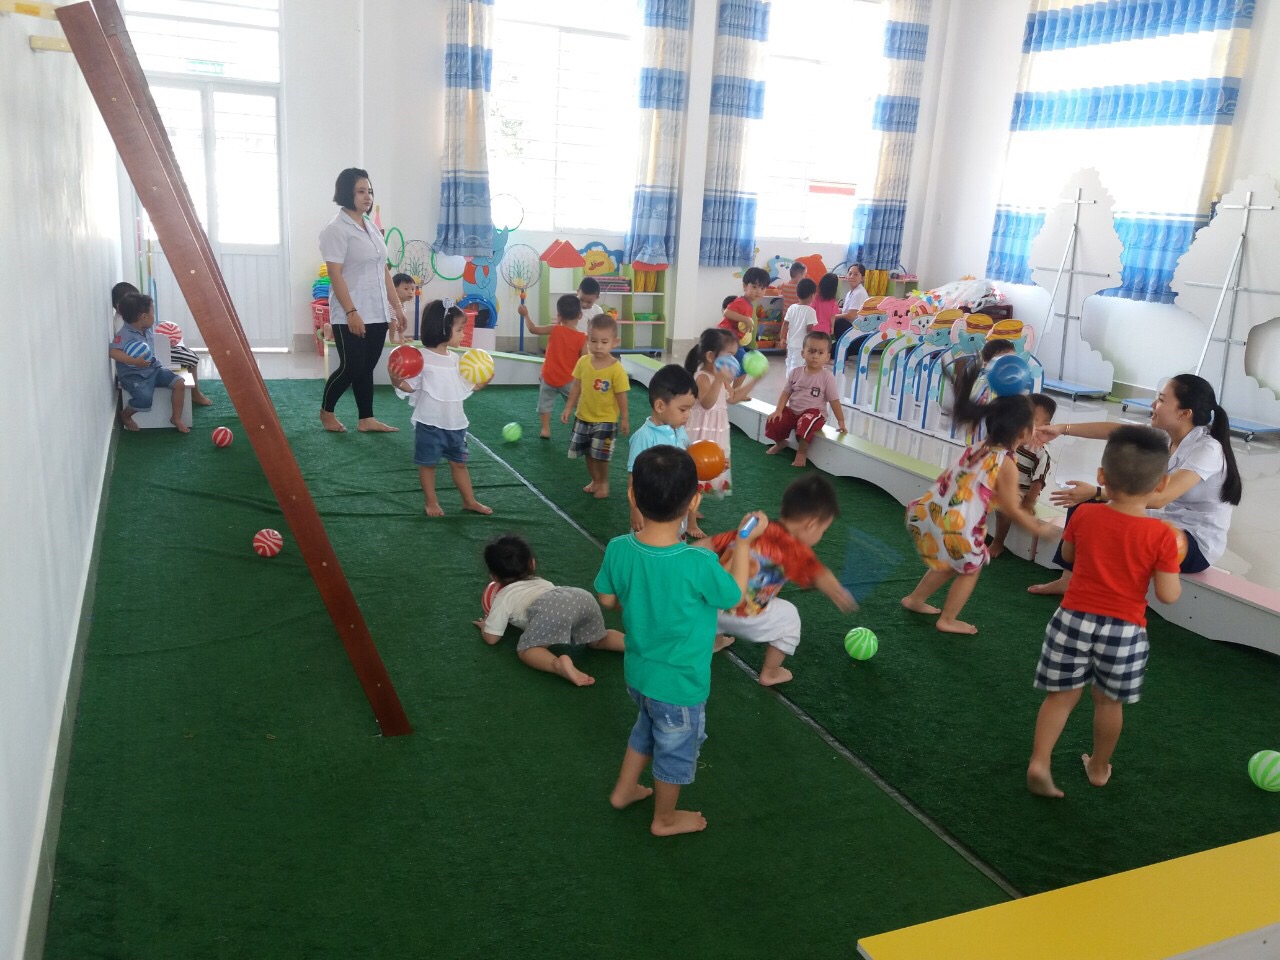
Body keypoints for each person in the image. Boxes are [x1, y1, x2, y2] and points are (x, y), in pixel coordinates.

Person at [595, 445, 765, 836]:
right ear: (694, 502)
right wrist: (743, 542)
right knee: (674, 751)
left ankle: (624, 790)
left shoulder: (619, 548)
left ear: (632, 494)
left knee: (645, 727)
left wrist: (635, 600)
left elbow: (607, 599)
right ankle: (664, 818)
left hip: (639, 674)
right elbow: (734, 595)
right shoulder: (697, 562)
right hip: (680, 686)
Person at [1026, 426, 1183, 798]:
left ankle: (1040, 761)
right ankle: (1098, 767)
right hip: (1124, 630)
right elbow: (1168, 595)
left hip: (1072, 619)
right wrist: (1170, 561)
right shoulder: (1162, 536)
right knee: (1109, 702)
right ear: (1161, 484)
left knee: (1060, 696)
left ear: (1101, 476)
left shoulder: (1084, 514)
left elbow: (1069, 556)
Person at [1028, 373, 1242, 593]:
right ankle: (1068, 579)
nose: (1153, 405)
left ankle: (1108, 588)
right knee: (1084, 505)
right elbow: (1115, 431)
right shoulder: (1167, 435)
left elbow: (1160, 498)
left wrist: (1098, 491)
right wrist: (1061, 429)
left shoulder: (1207, 449)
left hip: (1193, 542)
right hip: (1163, 522)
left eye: (1161, 400)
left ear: (1184, 413)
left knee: (1116, 519)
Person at [901, 363, 1058, 634]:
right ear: (1023, 432)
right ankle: (948, 620)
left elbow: (972, 482)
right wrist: (1039, 529)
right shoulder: (1006, 463)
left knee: (952, 563)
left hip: (930, 511)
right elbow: (1012, 509)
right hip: (957, 525)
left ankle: (915, 599)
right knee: (970, 568)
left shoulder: (980, 447)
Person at [704, 474, 858, 686]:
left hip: (711, 610)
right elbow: (819, 574)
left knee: (721, 584)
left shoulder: (752, 530)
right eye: (824, 530)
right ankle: (771, 672)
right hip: (747, 617)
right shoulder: (796, 551)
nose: (822, 535)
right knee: (790, 617)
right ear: (811, 524)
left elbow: (709, 544)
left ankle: (715, 640)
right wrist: (837, 592)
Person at [318, 167, 409, 434]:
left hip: (377, 310)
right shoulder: (335, 229)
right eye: (361, 191)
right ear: (347, 193)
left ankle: (366, 419)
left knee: (366, 367)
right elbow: (335, 274)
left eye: (369, 191)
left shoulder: (371, 227)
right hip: (350, 311)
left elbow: (383, 270)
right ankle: (326, 411)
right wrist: (351, 311)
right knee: (352, 366)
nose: (367, 196)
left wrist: (397, 308)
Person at [474, 534, 625, 687]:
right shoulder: (541, 582)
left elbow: (492, 639)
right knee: (598, 639)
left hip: (550, 610)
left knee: (527, 650)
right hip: (579, 596)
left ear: (494, 577)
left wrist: (486, 626)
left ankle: (557, 665)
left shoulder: (503, 596)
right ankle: (631, 643)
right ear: (532, 564)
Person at [389, 299, 492, 517]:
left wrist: (484, 381)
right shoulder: (420, 359)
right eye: (460, 330)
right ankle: (431, 502)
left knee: (460, 464)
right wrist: (396, 380)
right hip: (429, 424)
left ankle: (469, 501)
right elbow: (409, 386)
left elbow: (467, 386)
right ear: (443, 329)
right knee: (428, 465)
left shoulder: (457, 360)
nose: (463, 334)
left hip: (456, 425)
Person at [112, 281, 212, 407]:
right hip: (150, 358)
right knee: (192, 358)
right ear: (119, 306)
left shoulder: (130, 319)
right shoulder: (124, 324)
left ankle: (194, 393)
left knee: (190, 355)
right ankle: (195, 394)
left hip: (154, 352)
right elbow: (125, 349)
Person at [563, 314, 630, 499]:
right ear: (588, 339)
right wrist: (568, 407)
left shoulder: (616, 369)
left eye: (604, 342)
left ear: (614, 342)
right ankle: (595, 480)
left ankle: (604, 482)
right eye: (593, 341)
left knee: (602, 455)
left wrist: (624, 418)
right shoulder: (583, 362)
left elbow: (621, 395)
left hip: (606, 421)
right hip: (583, 417)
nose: (598, 346)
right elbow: (576, 386)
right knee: (588, 453)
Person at [684, 328, 754, 504]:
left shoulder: (721, 379)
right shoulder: (702, 377)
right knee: (696, 467)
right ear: (710, 356)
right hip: (700, 433)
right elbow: (707, 403)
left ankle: (693, 506)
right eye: (729, 355)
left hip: (716, 431)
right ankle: (689, 512)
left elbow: (733, 397)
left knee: (710, 466)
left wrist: (756, 379)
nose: (734, 360)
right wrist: (719, 379)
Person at [627, 364, 698, 534]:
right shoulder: (644, 436)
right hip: (651, 510)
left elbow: (691, 458)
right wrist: (635, 510)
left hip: (676, 504)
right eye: (683, 409)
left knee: (674, 540)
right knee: (649, 543)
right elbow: (634, 476)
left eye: (690, 409)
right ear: (660, 406)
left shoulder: (679, 430)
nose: (688, 415)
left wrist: (714, 464)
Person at [765, 331, 849, 468]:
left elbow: (834, 400)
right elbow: (786, 393)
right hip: (793, 412)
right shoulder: (796, 372)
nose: (815, 356)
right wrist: (779, 410)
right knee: (774, 419)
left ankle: (802, 452)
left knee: (806, 421)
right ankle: (781, 443)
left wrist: (841, 422)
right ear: (803, 353)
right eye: (811, 351)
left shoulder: (827, 377)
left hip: (814, 414)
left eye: (820, 353)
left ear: (827, 357)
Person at [109, 292, 189, 433]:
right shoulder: (125, 334)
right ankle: (125, 415)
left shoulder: (146, 328)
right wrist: (134, 361)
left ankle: (176, 418)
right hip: (134, 375)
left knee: (179, 383)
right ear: (143, 317)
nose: (154, 316)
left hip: (154, 369)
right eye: (153, 312)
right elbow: (113, 352)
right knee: (144, 398)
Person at [990, 393, 1057, 558]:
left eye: (1032, 420)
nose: (1025, 423)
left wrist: (1028, 503)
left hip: (1022, 490)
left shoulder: (1042, 453)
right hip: (1002, 482)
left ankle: (998, 542)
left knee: (1004, 508)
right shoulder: (1015, 437)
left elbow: (1038, 481)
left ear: (1046, 426)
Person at [520, 293, 586, 439]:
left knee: (545, 404)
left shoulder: (554, 329)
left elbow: (533, 329)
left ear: (559, 316)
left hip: (548, 376)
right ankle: (581, 427)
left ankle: (545, 429)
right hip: (568, 380)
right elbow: (585, 360)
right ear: (580, 315)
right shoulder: (582, 338)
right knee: (580, 404)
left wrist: (525, 315)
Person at [719, 266, 769, 368]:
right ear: (745, 286)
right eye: (754, 287)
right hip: (726, 339)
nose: (758, 291)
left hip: (734, 340)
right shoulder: (741, 301)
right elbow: (727, 313)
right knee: (743, 365)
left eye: (762, 288)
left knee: (739, 366)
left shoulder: (750, 304)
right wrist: (746, 319)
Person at [780, 277, 818, 374]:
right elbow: (809, 329)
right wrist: (812, 343)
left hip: (790, 342)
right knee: (797, 365)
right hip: (801, 344)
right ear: (812, 296)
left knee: (789, 362)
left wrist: (782, 338)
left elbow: (785, 324)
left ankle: (789, 378)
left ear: (797, 293)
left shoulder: (792, 308)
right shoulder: (811, 311)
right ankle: (794, 380)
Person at [832, 262, 867, 344]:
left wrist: (832, 316)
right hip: (852, 330)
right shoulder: (850, 293)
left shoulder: (859, 293)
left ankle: (843, 346)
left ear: (862, 278)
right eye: (850, 273)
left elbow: (850, 316)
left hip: (857, 334)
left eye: (856, 274)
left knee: (839, 322)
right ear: (846, 276)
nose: (852, 276)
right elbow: (845, 310)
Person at [391, 272, 417, 344]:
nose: (410, 292)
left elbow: (400, 324)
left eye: (412, 289)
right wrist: (392, 339)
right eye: (406, 289)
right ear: (394, 290)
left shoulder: (403, 305)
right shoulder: (391, 304)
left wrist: (402, 339)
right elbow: (392, 322)